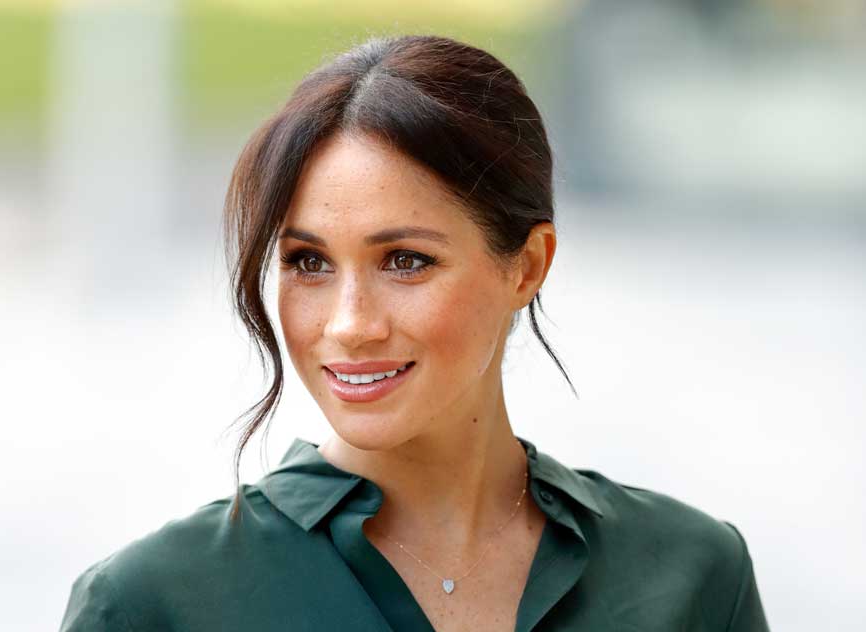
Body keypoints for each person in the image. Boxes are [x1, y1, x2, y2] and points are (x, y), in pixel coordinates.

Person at [59, 34, 770, 631]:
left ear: (527, 265)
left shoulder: (693, 577)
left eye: (405, 261)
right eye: (308, 262)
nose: (348, 324)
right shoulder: (151, 606)